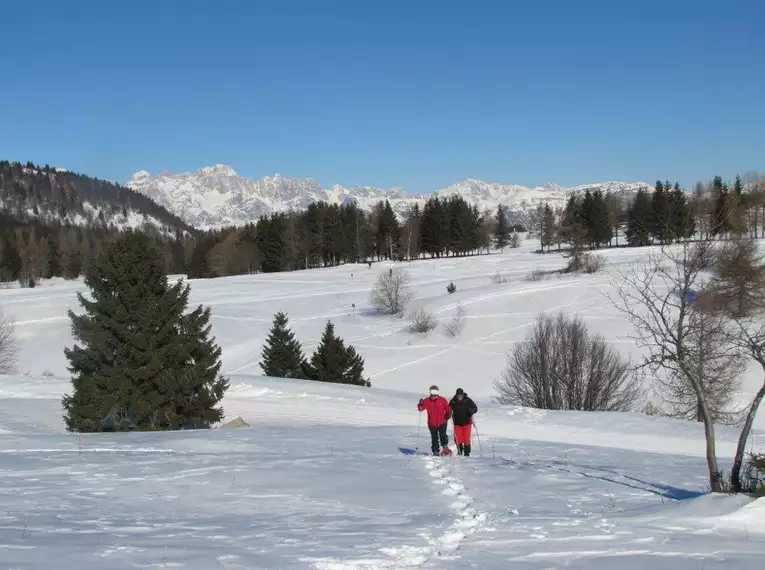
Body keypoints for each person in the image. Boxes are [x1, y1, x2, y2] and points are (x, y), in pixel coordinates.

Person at [417, 385, 452, 456]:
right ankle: (435, 451)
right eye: (432, 395)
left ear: (437, 394)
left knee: (443, 436)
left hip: (442, 422)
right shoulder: (427, 401)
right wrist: (420, 404)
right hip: (432, 423)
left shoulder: (442, 400)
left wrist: (449, 414)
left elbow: (448, 409)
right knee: (434, 438)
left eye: (435, 395)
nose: (433, 397)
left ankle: (445, 448)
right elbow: (421, 409)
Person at [449, 388, 478, 456]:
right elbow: (448, 409)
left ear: (463, 395)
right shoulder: (453, 401)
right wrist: (449, 413)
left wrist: (471, 411)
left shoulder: (467, 400)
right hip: (457, 423)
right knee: (457, 439)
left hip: (467, 422)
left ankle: (466, 453)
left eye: (461, 396)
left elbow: (475, 408)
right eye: (458, 396)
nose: (459, 397)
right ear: (456, 395)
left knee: (466, 439)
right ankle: (459, 452)